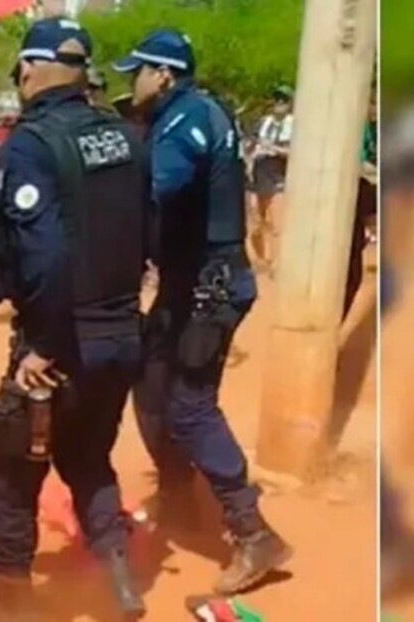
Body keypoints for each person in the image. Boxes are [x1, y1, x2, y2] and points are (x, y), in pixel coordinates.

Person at [0, 19, 150, 620]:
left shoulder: (30, 144)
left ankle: (14, 605)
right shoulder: (125, 136)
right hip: (123, 334)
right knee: (89, 460)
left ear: (31, 68)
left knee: (14, 473)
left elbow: (43, 255)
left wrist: (42, 344)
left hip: (62, 343)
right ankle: (121, 588)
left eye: (20, 68)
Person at [113, 30, 292, 595]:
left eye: (136, 72)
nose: (130, 82)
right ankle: (177, 495)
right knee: (148, 380)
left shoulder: (189, 120)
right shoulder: (179, 116)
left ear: (163, 74)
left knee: (190, 406)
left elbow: (156, 192)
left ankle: (252, 531)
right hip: (185, 284)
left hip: (209, 288)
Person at [249, 85, 293, 270]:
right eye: (276, 99)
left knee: (276, 223)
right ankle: (261, 260)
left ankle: (277, 263)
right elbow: (251, 145)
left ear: (290, 104)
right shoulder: (263, 122)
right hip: (258, 173)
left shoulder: (294, 124)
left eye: (283, 100)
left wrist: (273, 148)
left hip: (278, 174)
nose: (279, 104)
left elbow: (294, 152)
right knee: (255, 224)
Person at [343, 90, 377, 322]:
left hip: (362, 195)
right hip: (351, 195)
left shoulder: (372, 130)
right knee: (349, 273)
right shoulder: (354, 129)